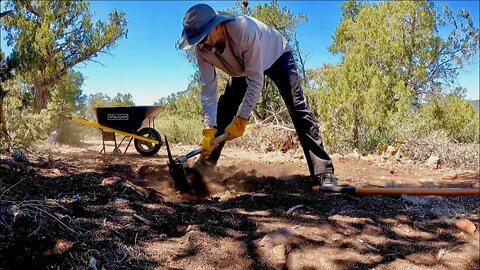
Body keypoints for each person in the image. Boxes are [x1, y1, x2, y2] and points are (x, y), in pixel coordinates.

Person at [178, 4, 337, 187]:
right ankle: (204, 167)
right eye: (197, 41)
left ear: (217, 27)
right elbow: (208, 89)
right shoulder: (202, 50)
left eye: (203, 38)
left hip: (277, 56)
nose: (201, 44)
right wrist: (209, 127)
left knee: (297, 108)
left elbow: (255, 81)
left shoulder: (244, 31)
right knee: (224, 109)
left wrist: (241, 119)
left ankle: (323, 171)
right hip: (243, 68)